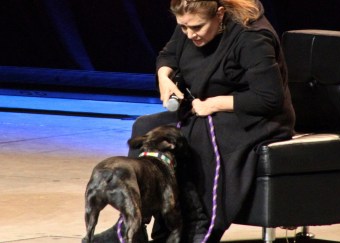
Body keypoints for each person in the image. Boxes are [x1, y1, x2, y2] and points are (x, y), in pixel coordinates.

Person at [93, 0, 295, 242]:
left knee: (200, 131)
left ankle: (199, 226)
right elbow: (168, 55)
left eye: (197, 28)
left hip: (257, 118)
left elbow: (269, 98)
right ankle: (132, 224)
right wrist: (164, 76)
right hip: (204, 110)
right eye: (183, 27)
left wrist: (214, 104)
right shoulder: (189, 25)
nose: (190, 34)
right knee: (146, 128)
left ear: (219, 14)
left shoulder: (251, 37)